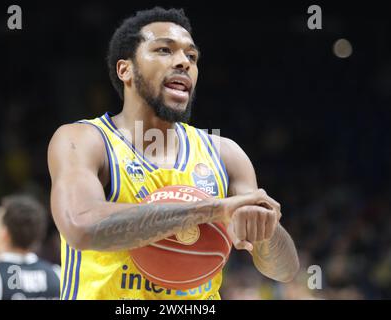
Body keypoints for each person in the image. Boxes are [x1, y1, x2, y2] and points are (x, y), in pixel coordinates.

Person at [48, 7, 299, 300]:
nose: (183, 62)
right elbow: (81, 226)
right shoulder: (84, 139)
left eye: (191, 57)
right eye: (165, 50)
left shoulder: (225, 153)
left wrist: (266, 228)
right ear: (125, 69)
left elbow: (283, 270)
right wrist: (213, 210)